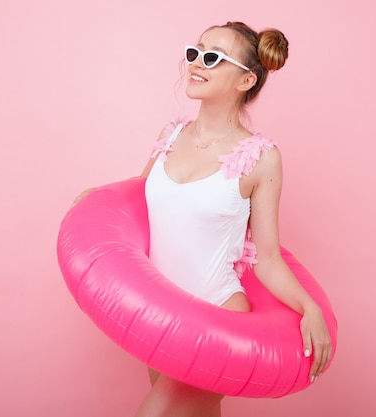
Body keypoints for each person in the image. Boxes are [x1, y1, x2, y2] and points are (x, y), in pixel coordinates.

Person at [73, 21, 332, 417]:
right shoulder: (171, 134)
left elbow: (267, 258)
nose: (195, 63)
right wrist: (97, 199)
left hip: (217, 315)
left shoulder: (262, 159)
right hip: (159, 310)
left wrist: (309, 308)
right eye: (194, 52)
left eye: (212, 58)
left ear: (245, 80)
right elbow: (141, 202)